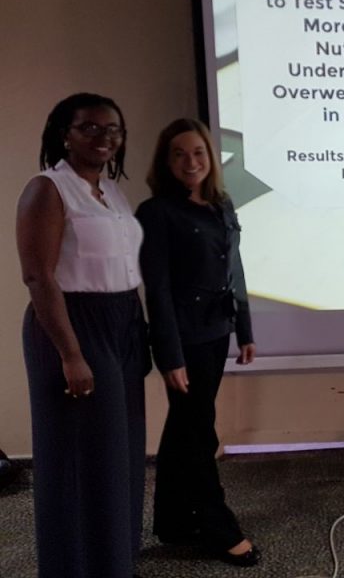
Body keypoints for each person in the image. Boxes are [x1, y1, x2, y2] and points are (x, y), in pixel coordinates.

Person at [16, 93, 149, 578]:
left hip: (122, 324)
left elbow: (124, 267)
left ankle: (114, 561)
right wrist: (70, 354)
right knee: (78, 455)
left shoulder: (112, 192)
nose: (104, 138)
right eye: (89, 128)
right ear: (64, 133)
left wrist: (139, 333)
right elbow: (38, 277)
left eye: (113, 129)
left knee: (120, 452)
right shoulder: (48, 188)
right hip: (72, 324)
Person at [136, 118, 260, 568]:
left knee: (185, 427)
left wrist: (244, 328)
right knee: (198, 431)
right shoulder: (156, 212)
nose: (191, 162)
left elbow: (235, 269)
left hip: (216, 332)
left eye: (199, 153)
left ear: (211, 158)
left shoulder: (221, 205)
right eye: (179, 154)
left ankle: (172, 521)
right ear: (165, 161)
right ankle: (217, 526)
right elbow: (158, 288)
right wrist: (168, 355)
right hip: (183, 340)